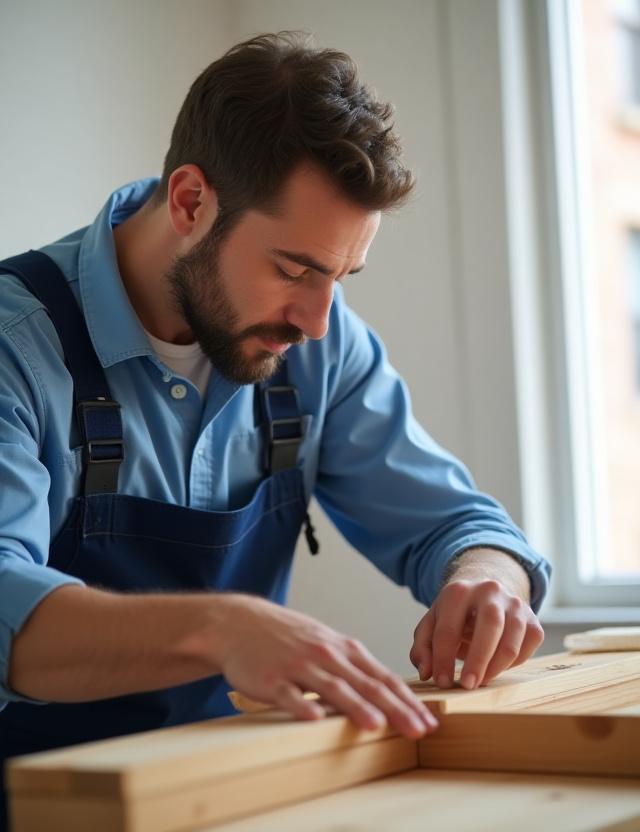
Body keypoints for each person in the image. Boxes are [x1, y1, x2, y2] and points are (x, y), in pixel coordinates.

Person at [0, 31, 550, 823]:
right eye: (295, 270)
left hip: (229, 800)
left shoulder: (312, 342)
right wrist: (224, 628)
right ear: (190, 201)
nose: (319, 322)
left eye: (341, 276)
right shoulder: (16, 347)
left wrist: (486, 581)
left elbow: (458, 524)